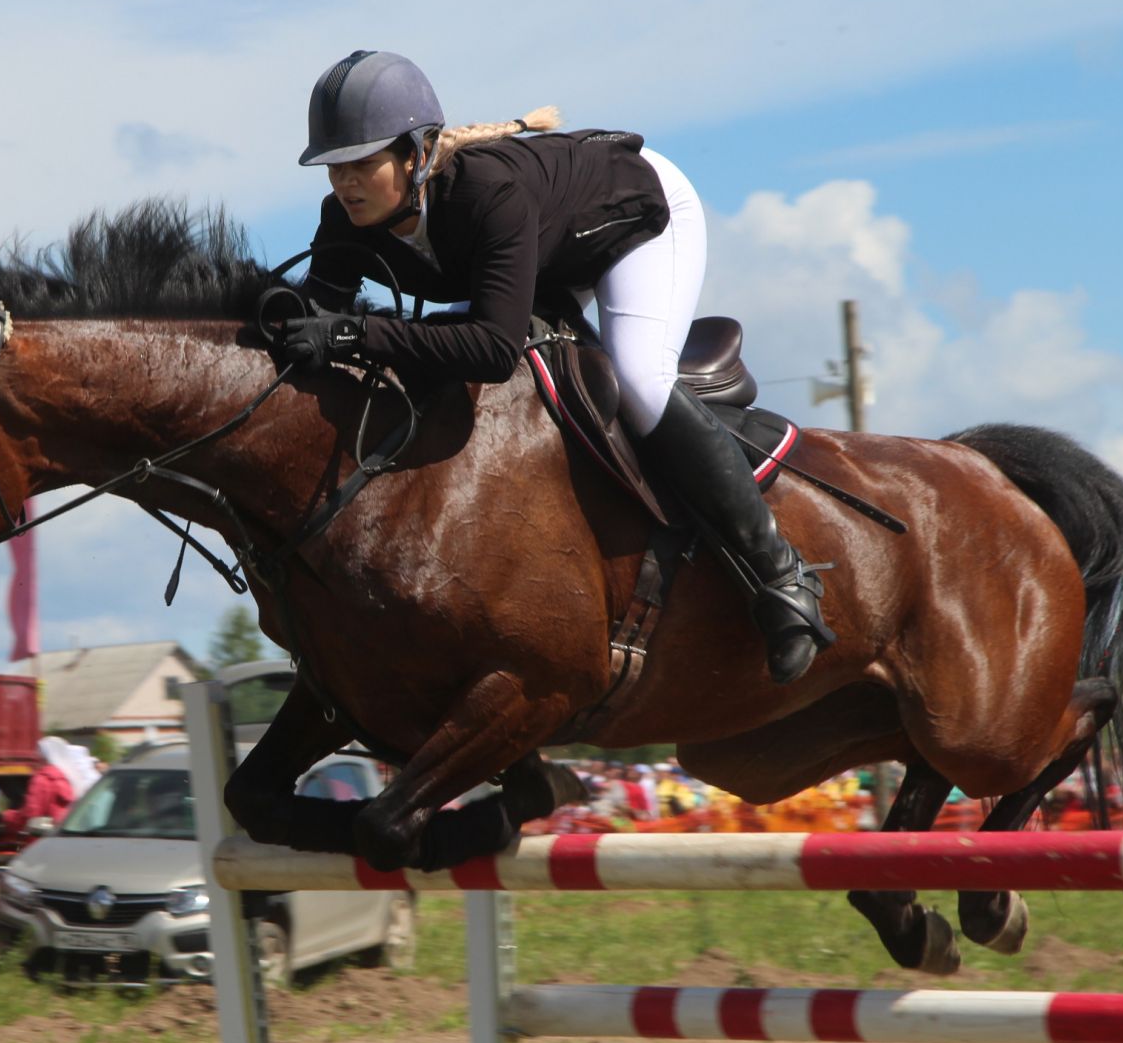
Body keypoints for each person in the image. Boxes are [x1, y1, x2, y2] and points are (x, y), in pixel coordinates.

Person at [281, 49, 834, 684]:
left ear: (416, 153)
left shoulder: (487, 195)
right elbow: (314, 319)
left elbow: (490, 347)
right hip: (542, 246)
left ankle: (781, 576)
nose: (344, 183)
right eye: (333, 169)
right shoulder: (344, 221)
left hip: (635, 217)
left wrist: (358, 331)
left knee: (639, 380)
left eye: (361, 164)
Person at [0, 736, 96, 835]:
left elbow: (31, 815)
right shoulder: (70, 777)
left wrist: (7, 816)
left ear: (42, 756)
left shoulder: (42, 779)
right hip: (64, 833)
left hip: (41, 838)